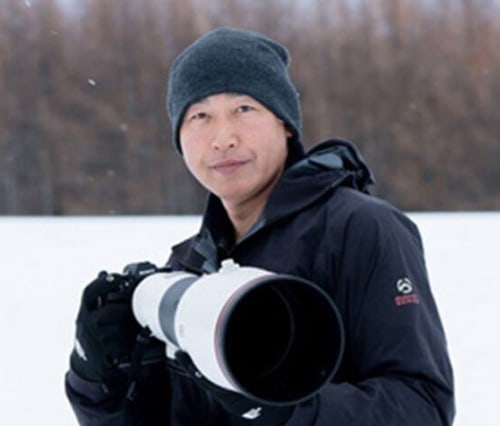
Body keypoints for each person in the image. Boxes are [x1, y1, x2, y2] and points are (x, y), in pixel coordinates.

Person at [65, 27, 455, 425]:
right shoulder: (188, 265)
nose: (223, 139)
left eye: (244, 109)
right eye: (200, 116)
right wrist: (97, 377)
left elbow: (423, 408)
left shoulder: (359, 230)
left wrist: (286, 413)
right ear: (180, 140)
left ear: (285, 123)